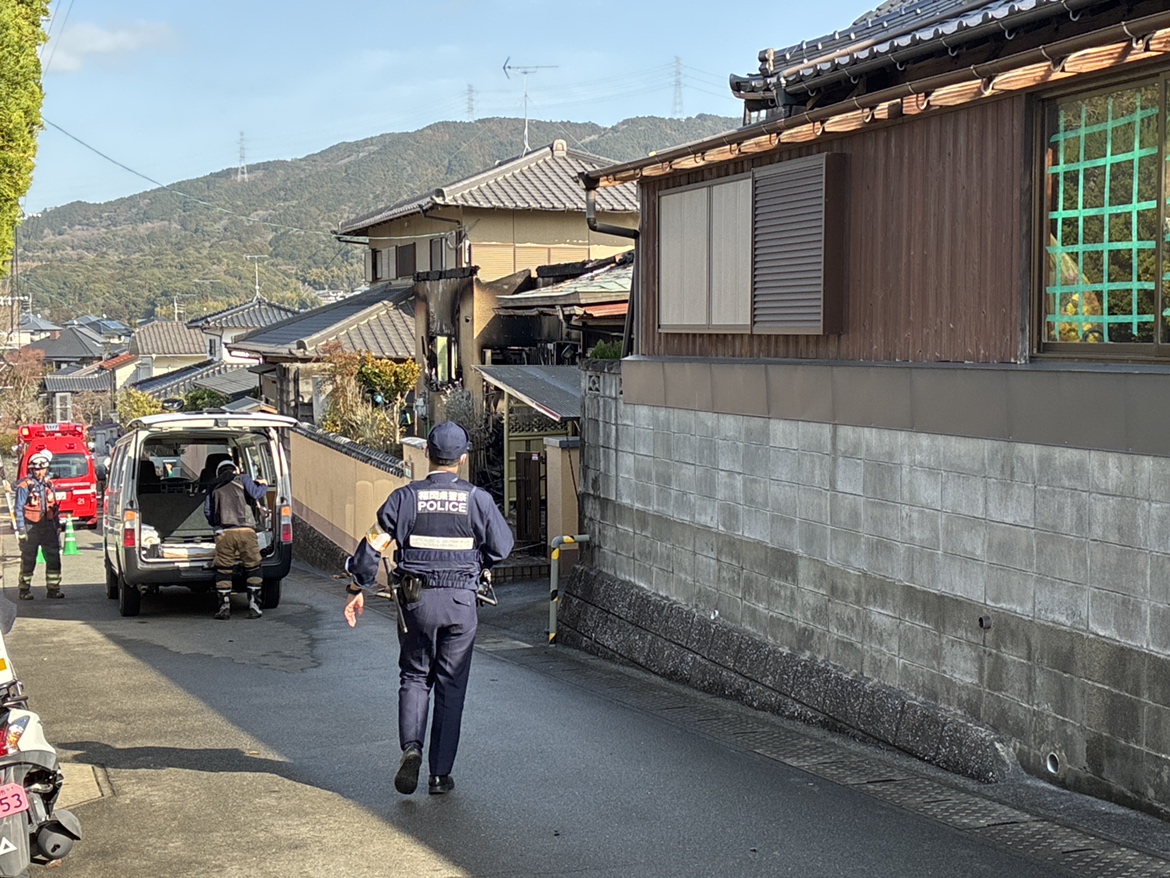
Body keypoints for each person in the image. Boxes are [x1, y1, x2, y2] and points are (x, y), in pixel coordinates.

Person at [344, 421, 513, 796]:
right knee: (451, 686)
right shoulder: (478, 500)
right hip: (461, 604)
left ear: (426, 453)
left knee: (415, 676)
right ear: (463, 459)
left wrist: (358, 586)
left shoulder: (404, 499)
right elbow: (502, 547)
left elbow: (372, 546)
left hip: (415, 603)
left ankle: (411, 748)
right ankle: (439, 774)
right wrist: (479, 563)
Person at [203, 459, 269, 620]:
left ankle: (224, 606)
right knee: (253, 567)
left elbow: (208, 512)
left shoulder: (213, 485)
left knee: (224, 569)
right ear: (234, 469)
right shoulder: (243, 478)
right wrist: (264, 485)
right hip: (247, 531)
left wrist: (216, 525)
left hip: (225, 533)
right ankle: (254, 605)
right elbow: (256, 494)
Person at [14, 450, 62, 600]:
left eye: (42, 469)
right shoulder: (24, 486)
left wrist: (57, 525)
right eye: (36, 469)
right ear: (31, 469)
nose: (39, 472)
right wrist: (21, 530)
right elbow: (18, 508)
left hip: (48, 526)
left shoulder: (49, 484)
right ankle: (24, 590)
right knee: (28, 559)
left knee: (53, 558)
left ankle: (53, 589)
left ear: (46, 469)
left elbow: (53, 507)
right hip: (31, 527)